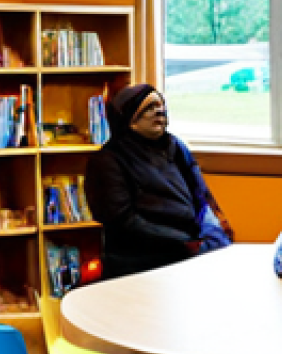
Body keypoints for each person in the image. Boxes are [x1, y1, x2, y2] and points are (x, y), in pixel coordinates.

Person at [84, 83, 232, 278]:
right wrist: (183, 242)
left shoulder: (175, 146)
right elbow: (121, 220)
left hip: (191, 246)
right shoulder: (107, 160)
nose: (159, 112)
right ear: (129, 117)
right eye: (150, 107)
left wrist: (212, 236)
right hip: (142, 256)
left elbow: (201, 197)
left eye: (161, 106)